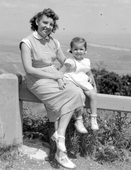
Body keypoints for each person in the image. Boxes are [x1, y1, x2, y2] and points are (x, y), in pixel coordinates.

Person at [19, 8, 85, 169]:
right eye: (45, 22)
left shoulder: (53, 42)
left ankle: (60, 137)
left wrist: (73, 68)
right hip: (37, 80)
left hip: (54, 76)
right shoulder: (26, 42)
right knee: (72, 96)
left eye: (51, 24)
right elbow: (29, 69)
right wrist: (56, 76)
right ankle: (60, 153)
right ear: (37, 22)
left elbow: (65, 61)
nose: (48, 26)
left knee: (76, 92)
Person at [57, 37, 99, 132]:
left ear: (85, 50)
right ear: (71, 50)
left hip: (82, 81)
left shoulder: (86, 61)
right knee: (81, 97)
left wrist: (93, 84)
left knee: (93, 94)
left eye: (81, 49)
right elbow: (61, 72)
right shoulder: (70, 61)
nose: (78, 51)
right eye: (75, 49)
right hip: (73, 81)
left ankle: (93, 118)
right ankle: (79, 120)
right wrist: (60, 80)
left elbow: (88, 73)